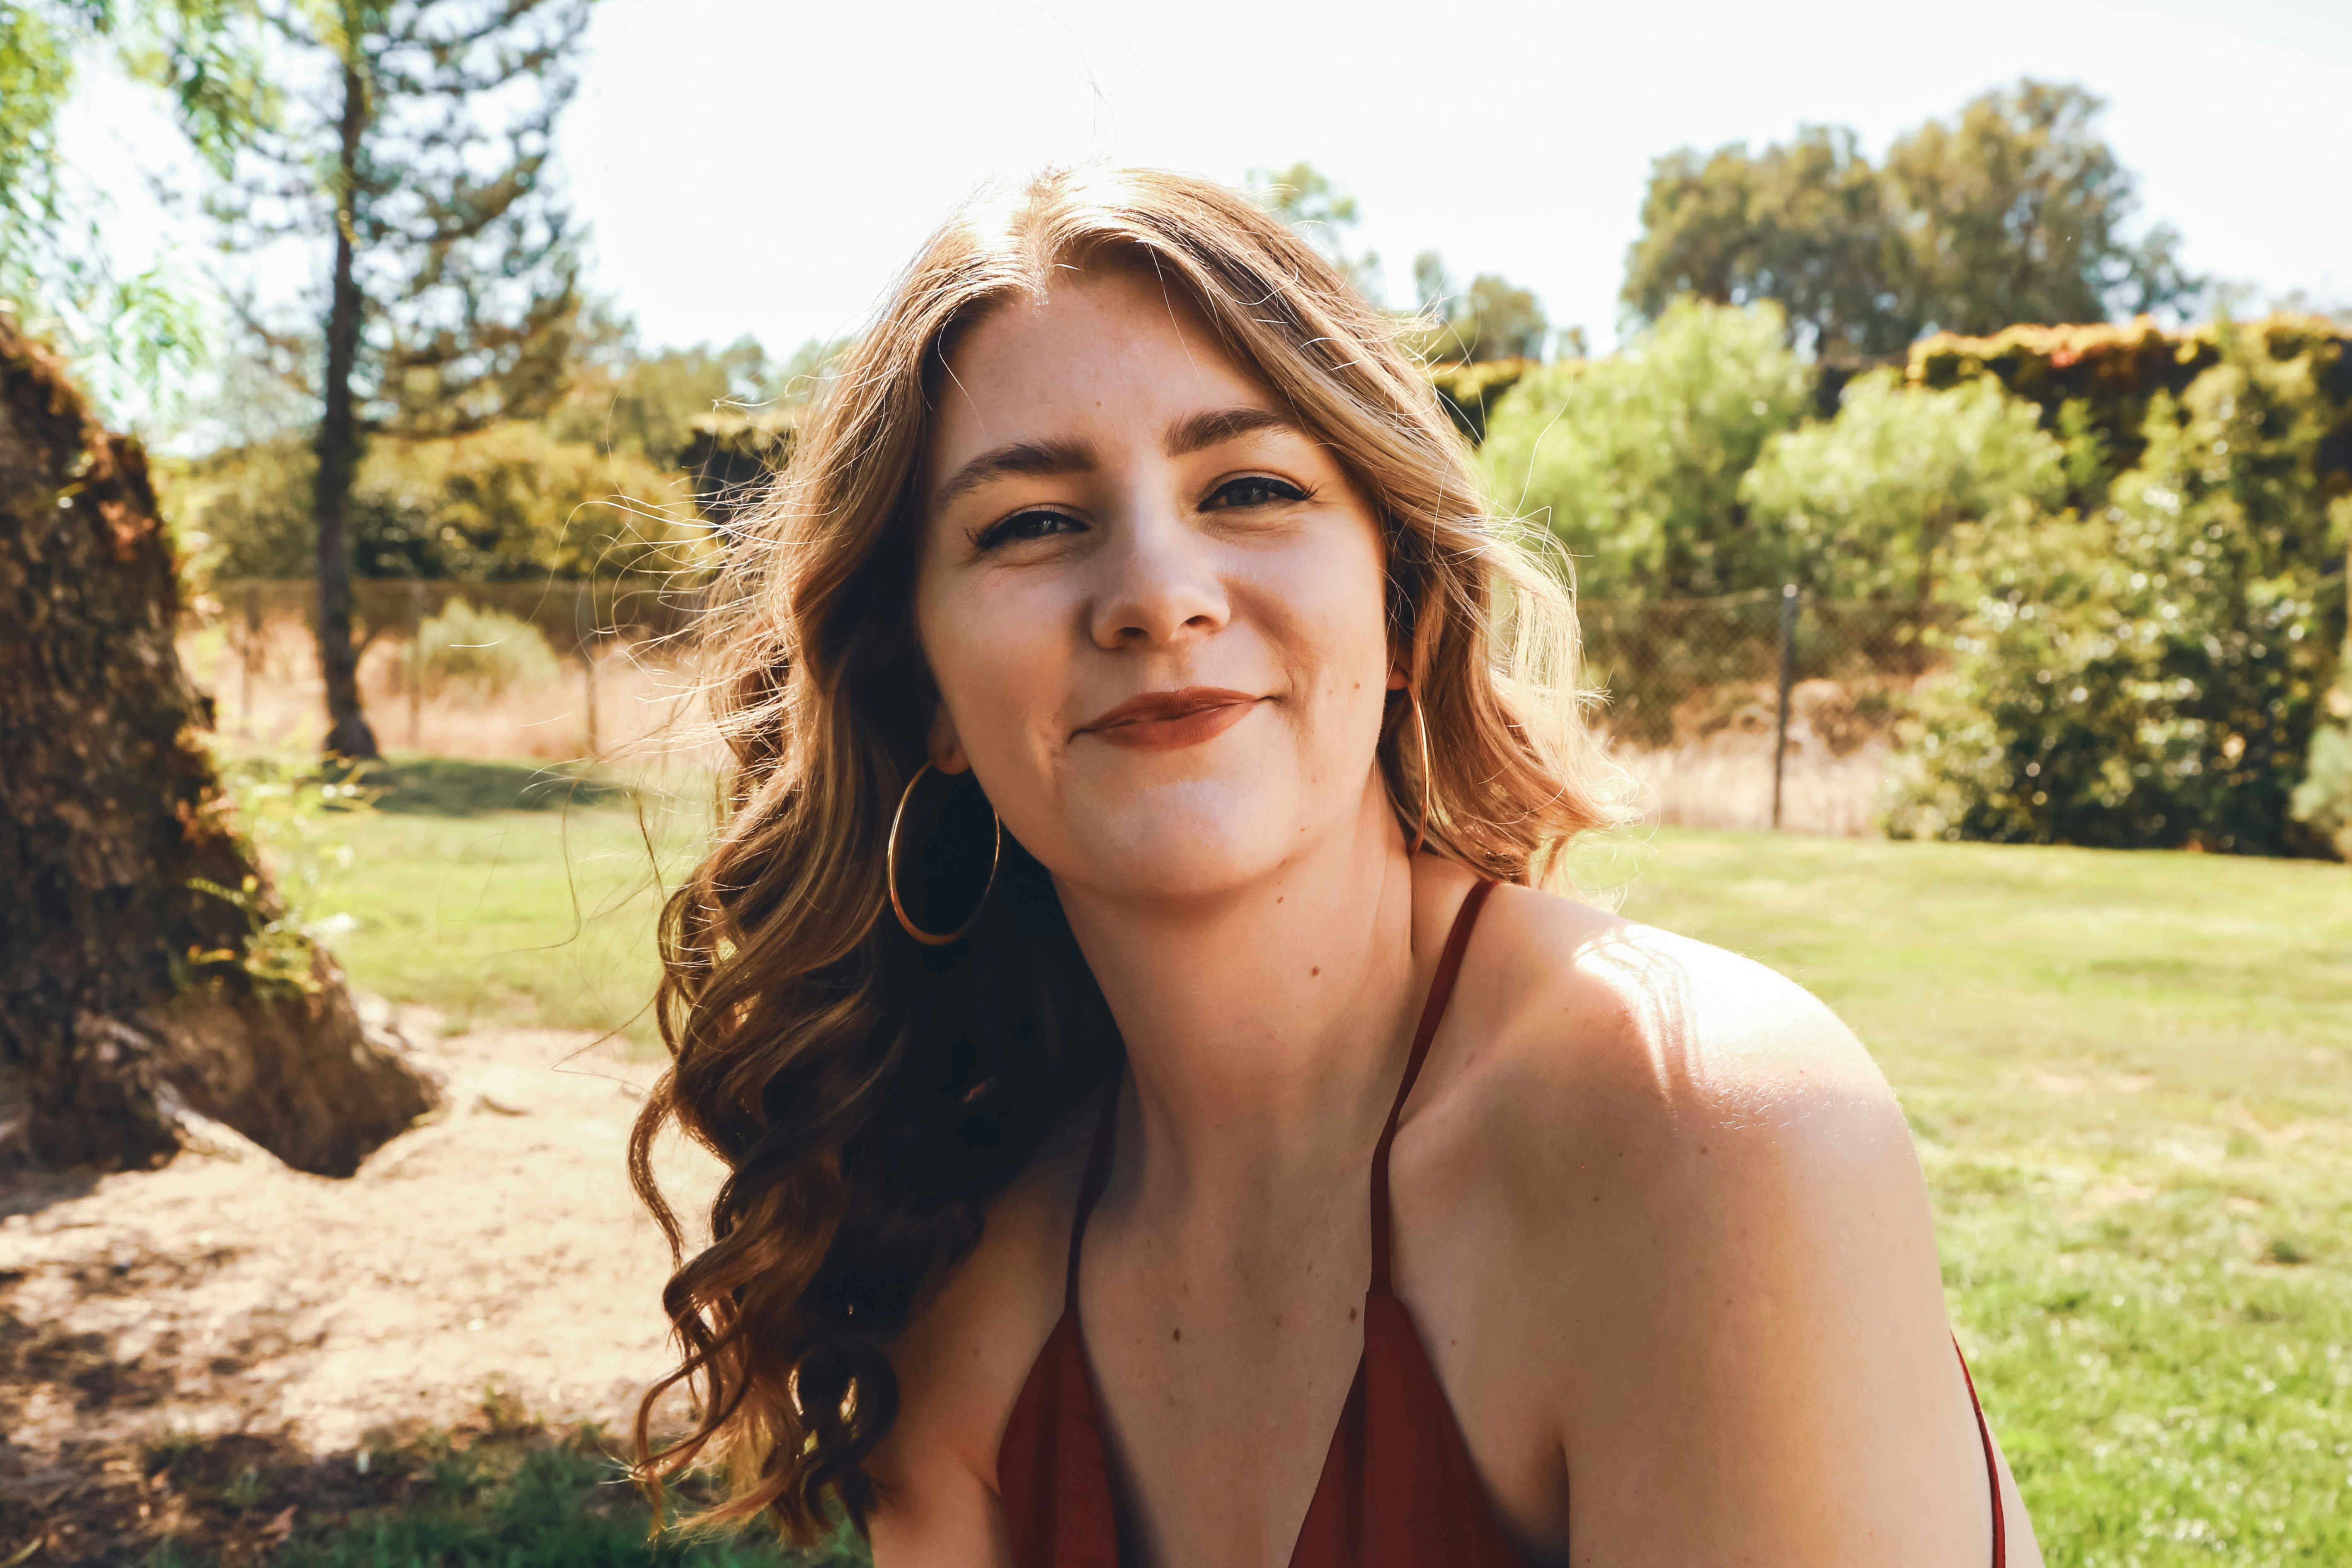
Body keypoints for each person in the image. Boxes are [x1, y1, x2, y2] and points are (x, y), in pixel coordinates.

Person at [630, 167, 2042, 1568]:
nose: (1157, 595)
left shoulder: (1703, 1129)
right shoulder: (972, 1302)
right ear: (923, 693)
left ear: (1406, 610)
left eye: (1247, 487)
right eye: (1033, 523)